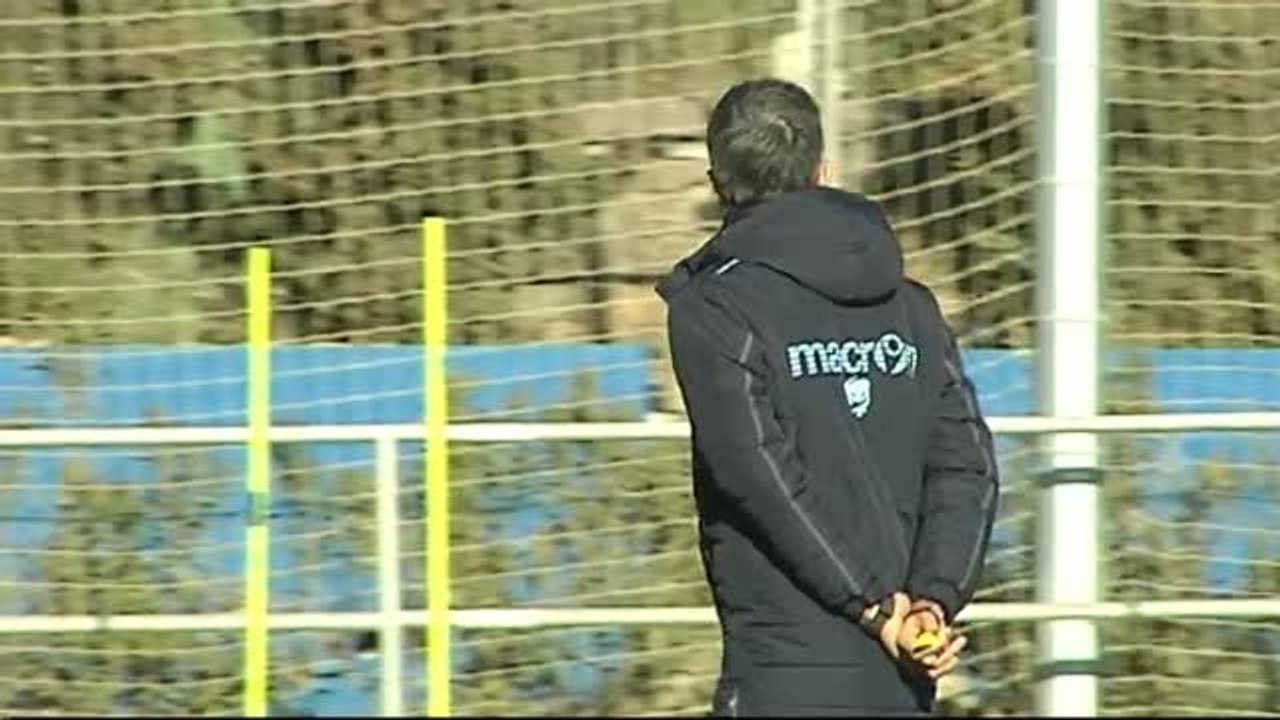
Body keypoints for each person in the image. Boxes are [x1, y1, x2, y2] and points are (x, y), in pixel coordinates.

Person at [656, 78, 999, 716]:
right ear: (822, 170)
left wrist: (873, 607)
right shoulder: (913, 307)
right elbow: (968, 465)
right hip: (903, 672)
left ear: (716, 182)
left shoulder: (714, 310)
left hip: (785, 669)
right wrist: (930, 600)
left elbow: (759, 478)